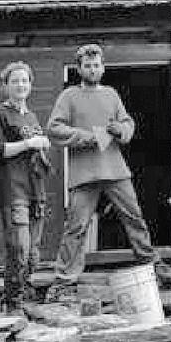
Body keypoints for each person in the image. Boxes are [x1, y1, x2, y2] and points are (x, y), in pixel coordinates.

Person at [45, 43, 158, 299]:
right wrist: (86, 137)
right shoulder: (69, 96)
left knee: (134, 217)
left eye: (96, 65)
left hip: (115, 169)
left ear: (103, 67)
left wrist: (122, 130)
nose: (93, 69)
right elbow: (54, 128)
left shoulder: (111, 94)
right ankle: (65, 279)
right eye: (88, 66)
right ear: (79, 68)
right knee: (76, 227)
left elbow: (127, 123)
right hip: (84, 173)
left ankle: (150, 264)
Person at [0, 61, 51, 314]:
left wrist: (41, 146)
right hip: (13, 190)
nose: (20, 85)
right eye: (15, 81)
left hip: (37, 189)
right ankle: (13, 304)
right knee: (19, 248)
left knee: (33, 254)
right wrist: (30, 143)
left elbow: (34, 146)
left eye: (25, 81)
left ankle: (19, 297)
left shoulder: (31, 116)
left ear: (30, 85)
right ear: (5, 86)